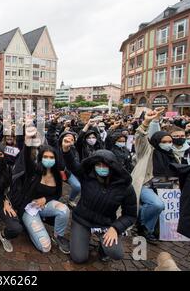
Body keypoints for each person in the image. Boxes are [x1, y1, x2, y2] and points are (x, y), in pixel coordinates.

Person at [62, 136, 137, 263]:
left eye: (105, 165)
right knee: (79, 258)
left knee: (116, 253)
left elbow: (130, 215)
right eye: (98, 165)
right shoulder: (87, 176)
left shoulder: (125, 187)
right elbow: (73, 165)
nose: (101, 167)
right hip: (82, 220)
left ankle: (103, 247)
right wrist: (66, 150)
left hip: (105, 224)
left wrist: (116, 228)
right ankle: (80, 236)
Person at [18, 126, 70, 254]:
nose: (49, 160)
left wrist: (45, 199)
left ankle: (58, 236)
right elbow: (26, 158)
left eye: (52, 157)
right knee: (45, 247)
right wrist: (27, 142)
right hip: (29, 209)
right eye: (46, 157)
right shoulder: (34, 171)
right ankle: (30, 227)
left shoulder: (56, 175)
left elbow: (57, 194)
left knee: (64, 210)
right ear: (41, 158)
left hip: (45, 206)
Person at [131, 108, 176, 242]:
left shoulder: (172, 155)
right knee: (157, 205)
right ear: (156, 141)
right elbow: (140, 137)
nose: (167, 144)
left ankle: (151, 227)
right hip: (146, 185)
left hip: (164, 185)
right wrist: (146, 122)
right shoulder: (147, 151)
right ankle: (143, 225)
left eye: (170, 142)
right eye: (164, 142)